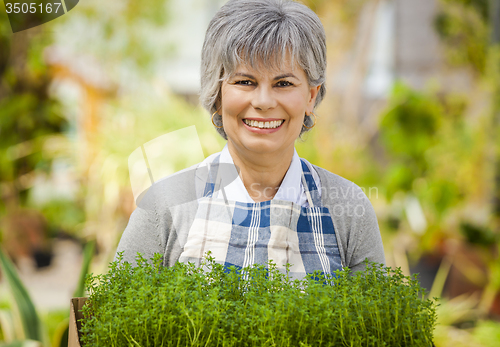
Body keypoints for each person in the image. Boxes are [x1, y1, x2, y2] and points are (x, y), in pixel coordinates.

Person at [116, 0, 385, 279]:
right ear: (217, 95)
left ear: (311, 96)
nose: (264, 101)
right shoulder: (164, 206)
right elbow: (113, 318)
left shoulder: (348, 209)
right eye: (245, 81)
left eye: (284, 83)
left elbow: (377, 321)